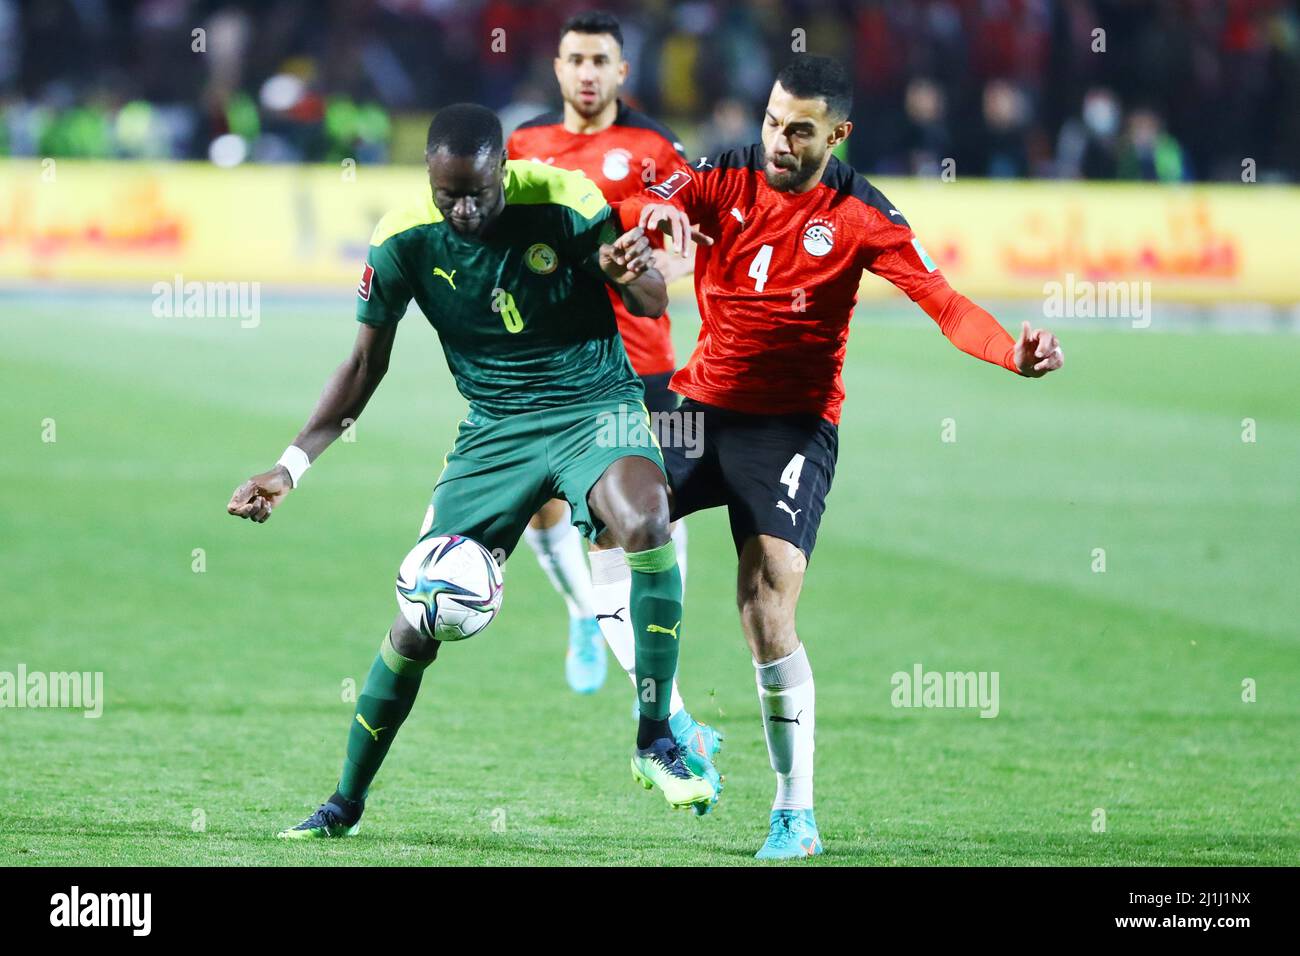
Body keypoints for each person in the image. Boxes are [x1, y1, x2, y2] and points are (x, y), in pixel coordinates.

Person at [226, 103, 717, 837]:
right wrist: (290, 467)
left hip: (596, 403)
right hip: (495, 430)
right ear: (429, 174)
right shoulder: (402, 240)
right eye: (447, 192)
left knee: (646, 520)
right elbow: (364, 364)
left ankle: (656, 738)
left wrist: (630, 271)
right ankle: (343, 804)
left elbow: (650, 300)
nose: (462, 208)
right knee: (418, 620)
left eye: (477, 193)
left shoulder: (565, 200)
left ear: (503, 171)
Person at [617, 56, 1066, 858]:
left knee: (766, 606)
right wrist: (656, 223)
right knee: (611, 523)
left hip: (790, 427)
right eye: (770, 121)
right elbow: (655, 198)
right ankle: (672, 722)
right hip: (698, 408)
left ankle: (795, 812)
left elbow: (946, 304)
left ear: (837, 133)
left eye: (798, 129)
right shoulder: (723, 170)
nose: (777, 141)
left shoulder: (863, 214)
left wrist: (1011, 353)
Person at [504, 9, 722, 803]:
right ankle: (584, 618)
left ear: (623, 72)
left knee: (643, 526)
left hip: (642, 366)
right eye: (575, 59)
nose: (588, 73)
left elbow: (681, 249)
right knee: (540, 516)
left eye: (601, 59)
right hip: (553, 368)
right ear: (556, 68)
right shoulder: (523, 147)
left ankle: (663, 702)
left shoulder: (657, 153)